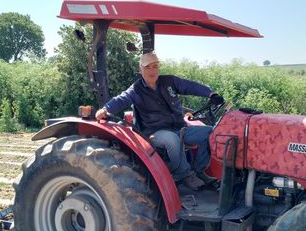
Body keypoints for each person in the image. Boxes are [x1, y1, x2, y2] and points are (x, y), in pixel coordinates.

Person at [95, 52, 224, 190]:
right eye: (147, 67)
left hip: (179, 128)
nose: (152, 70)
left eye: (155, 66)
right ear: (140, 69)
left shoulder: (169, 81)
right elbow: (121, 99)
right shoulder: (136, 90)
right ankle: (184, 174)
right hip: (154, 133)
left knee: (210, 133)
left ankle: (200, 171)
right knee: (172, 139)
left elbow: (189, 85)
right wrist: (106, 109)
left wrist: (210, 93)